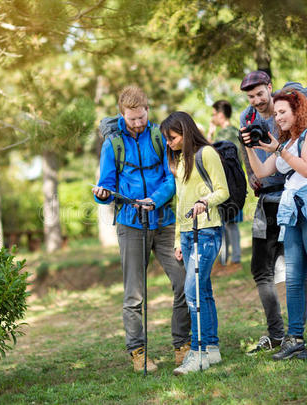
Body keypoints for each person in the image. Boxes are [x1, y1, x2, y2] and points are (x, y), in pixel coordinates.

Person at [92, 86, 191, 372]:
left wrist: (155, 200)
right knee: (134, 295)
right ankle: (138, 352)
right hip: (130, 225)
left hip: (164, 222)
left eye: (141, 117)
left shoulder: (160, 136)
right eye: (131, 119)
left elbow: (171, 179)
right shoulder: (112, 144)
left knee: (183, 282)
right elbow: (107, 184)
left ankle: (182, 345)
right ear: (122, 114)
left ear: (147, 109)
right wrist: (102, 195)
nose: (137, 123)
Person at [241, 88, 307, 360]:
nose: (278, 117)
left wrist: (278, 150)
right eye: (276, 114)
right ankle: (294, 337)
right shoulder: (288, 141)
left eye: (282, 112)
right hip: (293, 210)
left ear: (298, 111)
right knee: (294, 276)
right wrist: (250, 147)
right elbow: (262, 173)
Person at [160, 111, 229, 375]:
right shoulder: (180, 160)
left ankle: (197, 352)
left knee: (193, 292)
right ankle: (212, 349)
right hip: (188, 235)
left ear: (185, 133)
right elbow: (180, 204)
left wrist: (205, 202)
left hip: (208, 231)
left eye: (173, 137)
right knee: (203, 291)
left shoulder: (206, 154)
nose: (170, 143)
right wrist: (178, 238)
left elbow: (223, 191)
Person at [238, 71, 289, 354]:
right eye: (251, 96)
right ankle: (277, 334)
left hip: (290, 198)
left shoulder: (284, 110)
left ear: (269, 88)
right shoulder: (247, 117)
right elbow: (248, 153)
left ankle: (293, 334)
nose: (256, 100)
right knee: (261, 270)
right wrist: (251, 177)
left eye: (260, 94)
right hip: (265, 201)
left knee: (295, 268)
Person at [208, 100, 242, 267]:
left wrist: (210, 134)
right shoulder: (236, 132)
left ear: (221, 115)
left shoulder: (223, 135)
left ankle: (230, 259)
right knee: (230, 222)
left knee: (227, 222)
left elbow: (208, 157)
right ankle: (230, 258)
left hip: (227, 184)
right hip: (237, 183)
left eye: (214, 114)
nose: (212, 117)